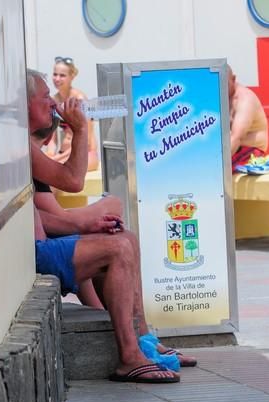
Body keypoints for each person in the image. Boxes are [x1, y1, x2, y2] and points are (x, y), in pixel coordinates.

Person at [27, 69, 196, 383]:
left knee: (125, 238)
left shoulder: (22, 149)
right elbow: (74, 182)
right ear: (23, 106)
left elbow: (43, 214)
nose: (52, 102)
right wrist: (80, 131)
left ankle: (143, 340)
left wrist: (90, 223)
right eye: (44, 97)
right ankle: (130, 356)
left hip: (41, 246)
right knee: (118, 245)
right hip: (35, 254)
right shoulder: (19, 149)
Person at [46, 56, 99, 172]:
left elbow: (87, 141)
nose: (57, 78)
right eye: (55, 74)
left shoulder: (80, 100)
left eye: (62, 75)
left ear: (72, 76)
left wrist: (56, 159)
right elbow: (52, 139)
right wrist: (50, 155)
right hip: (63, 154)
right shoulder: (54, 101)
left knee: (55, 171)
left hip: (86, 154)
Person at [228, 65, 269, 170]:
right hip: (231, 148)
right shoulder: (219, 95)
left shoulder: (245, 99)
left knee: (211, 171)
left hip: (250, 151)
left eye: (223, 84)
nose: (219, 88)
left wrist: (215, 163)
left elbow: (236, 137)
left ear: (233, 79)